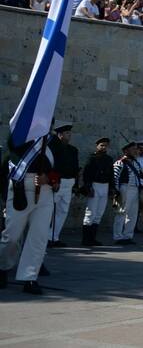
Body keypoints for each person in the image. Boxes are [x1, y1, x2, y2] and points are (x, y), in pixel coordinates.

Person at [0, 134, 55, 294]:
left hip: (44, 191)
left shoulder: (52, 143)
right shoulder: (20, 137)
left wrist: (49, 178)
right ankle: (2, 267)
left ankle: (29, 277)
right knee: (12, 235)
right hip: (19, 189)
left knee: (38, 237)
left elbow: (63, 170)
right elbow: (10, 153)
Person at [113, 141, 143, 245]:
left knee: (132, 214)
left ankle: (128, 236)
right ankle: (118, 236)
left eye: (135, 149)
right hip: (124, 188)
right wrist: (116, 191)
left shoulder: (135, 163)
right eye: (133, 149)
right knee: (121, 213)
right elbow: (115, 177)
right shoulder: (120, 162)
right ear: (126, 151)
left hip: (135, 189)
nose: (136, 151)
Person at [49, 122, 80, 247]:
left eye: (70, 133)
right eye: (67, 133)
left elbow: (76, 168)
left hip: (69, 182)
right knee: (50, 211)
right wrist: (53, 181)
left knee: (62, 211)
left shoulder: (73, 150)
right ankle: (47, 237)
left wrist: (75, 185)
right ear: (60, 135)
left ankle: (55, 237)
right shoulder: (53, 148)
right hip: (58, 182)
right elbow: (51, 166)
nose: (69, 135)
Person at [81, 137, 114, 246]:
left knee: (99, 213)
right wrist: (88, 187)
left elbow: (111, 175)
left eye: (105, 145)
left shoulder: (109, 159)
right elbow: (87, 174)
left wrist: (112, 189)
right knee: (90, 212)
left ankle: (93, 238)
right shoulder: (92, 158)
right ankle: (86, 239)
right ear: (97, 146)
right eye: (102, 145)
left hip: (105, 186)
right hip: (95, 185)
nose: (104, 147)